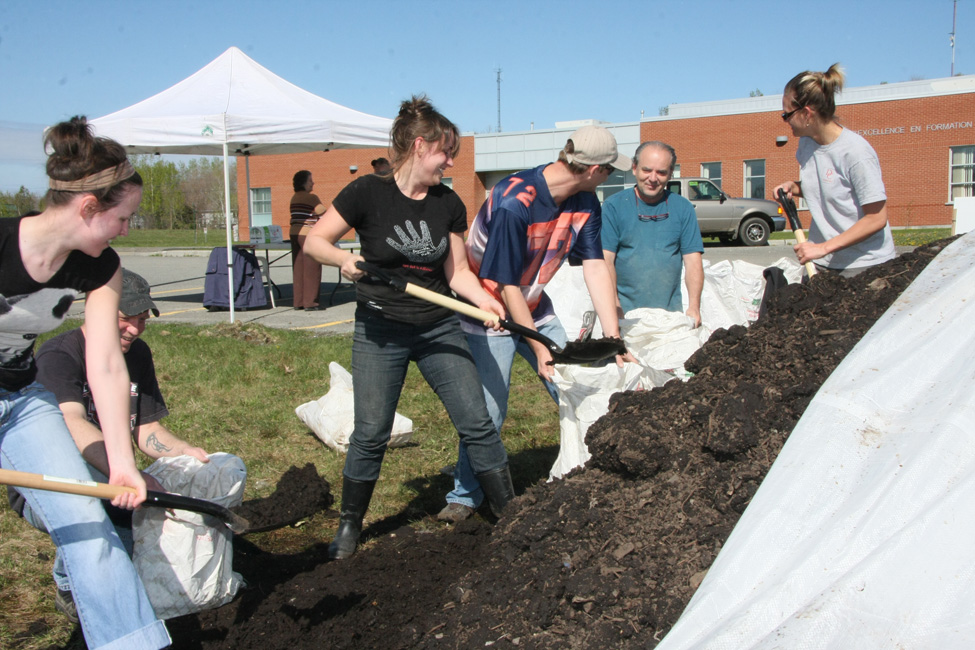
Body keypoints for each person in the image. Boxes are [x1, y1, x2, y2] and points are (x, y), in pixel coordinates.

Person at [302, 95, 514, 559]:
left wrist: (488, 304)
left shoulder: (448, 203)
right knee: (372, 431)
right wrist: (343, 259)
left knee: (477, 421)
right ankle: (350, 526)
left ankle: (510, 515)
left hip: (439, 327)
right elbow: (313, 240)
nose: (451, 161)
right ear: (420, 146)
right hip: (380, 329)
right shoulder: (366, 194)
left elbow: (458, 274)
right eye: (446, 152)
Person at [0, 117, 170, 649]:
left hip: (22, 400)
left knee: (87, 520)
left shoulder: (100, 267)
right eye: (123, 217)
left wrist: (122, 463)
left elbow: (106, 366)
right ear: (88, 207)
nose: (127, 229)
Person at [439, 125, 631, 523]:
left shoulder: (585, 202)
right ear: (593, 169)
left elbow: (595, 267)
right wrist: (542, 349)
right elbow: (506, 285)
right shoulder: (513, 201)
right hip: (487, 311)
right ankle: (463, 495)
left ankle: (596, 469)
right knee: (489, 412)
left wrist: (614, 339)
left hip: (533, 305)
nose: (611, 177)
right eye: (611, 170)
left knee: (574, 387)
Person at [7, 269, 211, 622]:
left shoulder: (137, 354)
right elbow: (70, 422)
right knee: (108, 508)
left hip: (115, 471)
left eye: (142, 319)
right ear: (96, 310)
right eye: (124, 318)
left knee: (129, 517)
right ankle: (70, 586)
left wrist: (184, 452)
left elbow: (146, 427)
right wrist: (124, 473)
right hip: (47, 484)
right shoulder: (60, 355)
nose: (135, 328)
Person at [773, 63, 896, 276]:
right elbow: (831, 186)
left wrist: (822, 248)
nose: (785, 121)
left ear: (807, 114)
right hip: (822, 262)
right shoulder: (806, 144)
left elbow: (876, 218)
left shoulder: (856, 153)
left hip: (864, 266)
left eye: (787, 115)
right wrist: (794, 186)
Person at [601, 141, 704, 324]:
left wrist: (694, 306)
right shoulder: (614, 206)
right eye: (646, 170)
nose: (653, 178)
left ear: (671, 173)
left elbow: (693, 260)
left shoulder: (683, 208)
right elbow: (606, 260)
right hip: (625, 316)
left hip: (669, 317)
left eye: (661, 172)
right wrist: (614, 307)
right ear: (634, 168)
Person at [289, 170, 327, 310]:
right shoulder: (311, 198)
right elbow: (324, 214)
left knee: (298, 268)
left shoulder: (294, 197)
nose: (313, 183)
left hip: (294, 233)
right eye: (310, 181)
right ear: (304, 183)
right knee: (312, 267)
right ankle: (311, 302)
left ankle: (298, 302)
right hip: (307, 234)